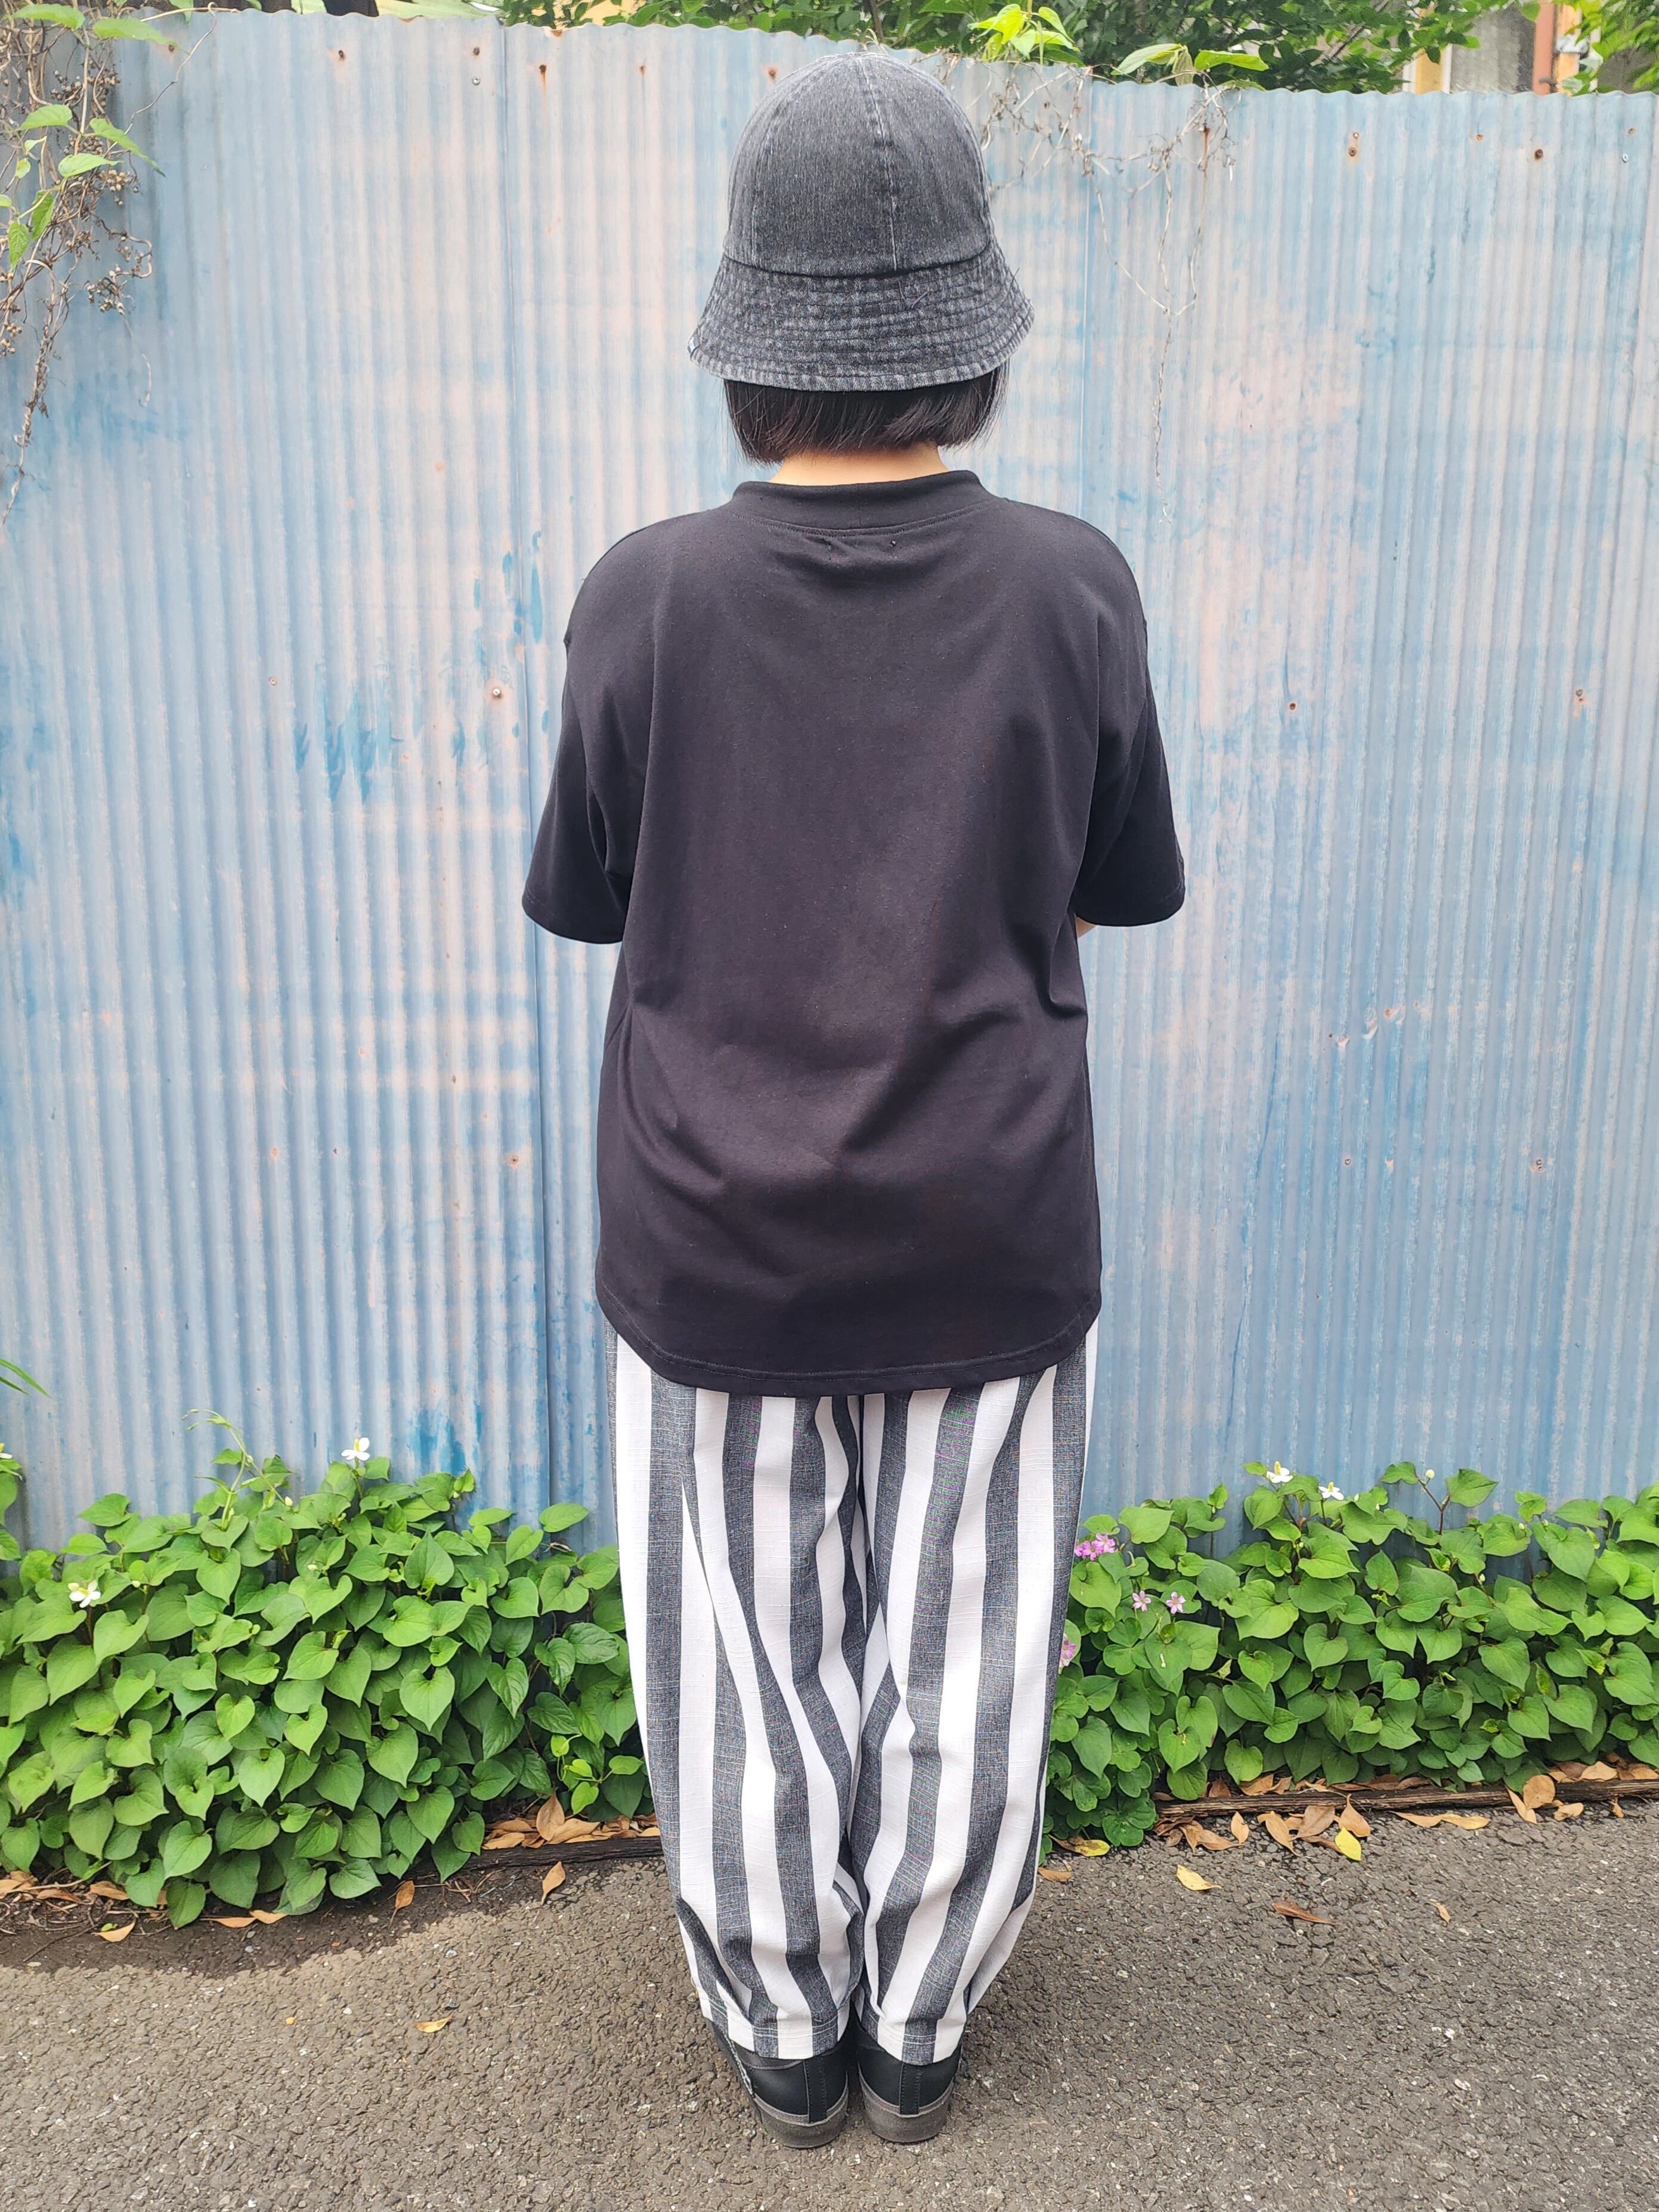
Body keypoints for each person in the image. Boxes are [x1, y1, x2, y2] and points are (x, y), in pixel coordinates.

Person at [521, 50, 1185, 2151]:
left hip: (709, 1224)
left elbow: (592, 893)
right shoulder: (1076, 588)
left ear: (749, 349)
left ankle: (786, 2035)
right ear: (971, 346)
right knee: (970, 1651)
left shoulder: (645, 596)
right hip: (994, 1213)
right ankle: (918, 2030)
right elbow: (1118, 880)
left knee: (736, 1656)